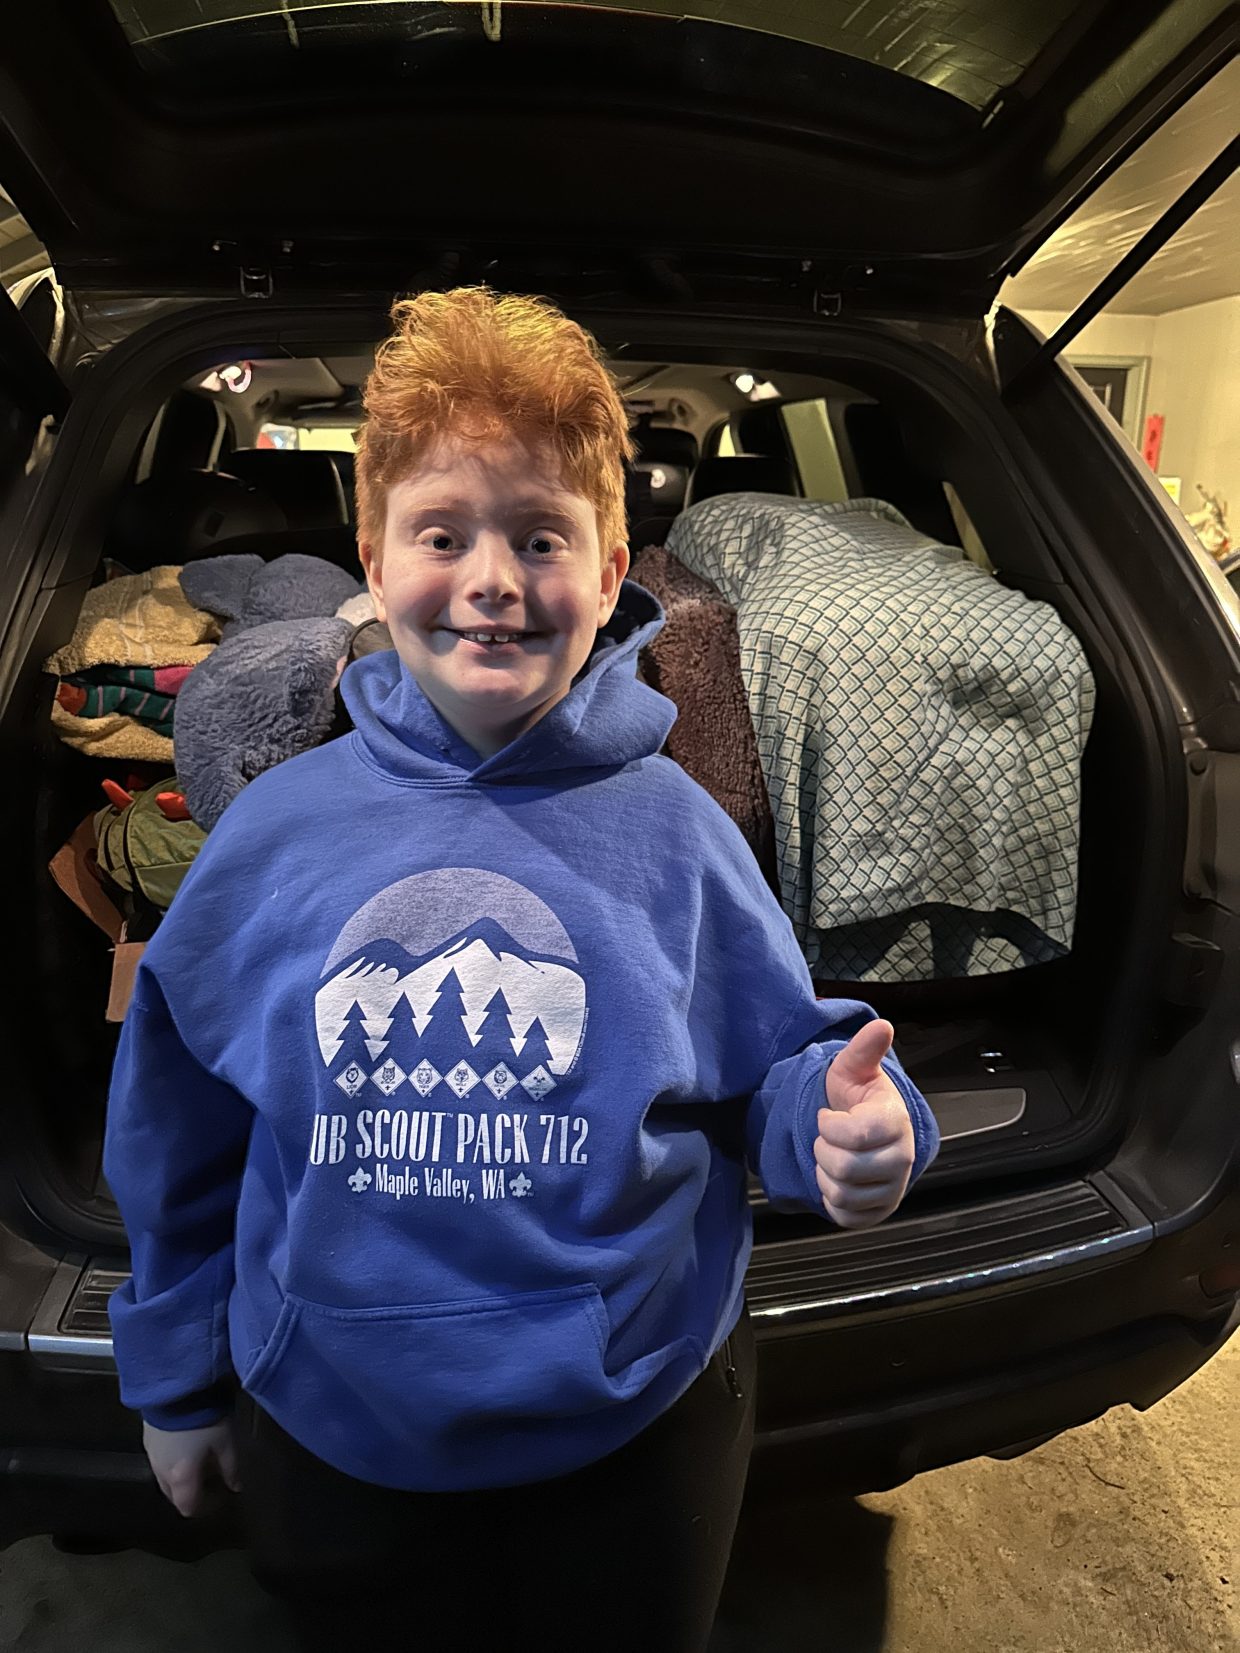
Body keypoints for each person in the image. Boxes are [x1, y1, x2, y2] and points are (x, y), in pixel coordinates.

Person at [103, 286, 941, 1652]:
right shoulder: (274, 836)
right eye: (442, 533)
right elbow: (176, 1126)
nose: (492, 577)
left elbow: (785, 1059)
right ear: (373, 558)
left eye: (541, 536)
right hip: (333, 1419)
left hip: (635, 1424)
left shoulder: (676, 829)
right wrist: (173, 1380)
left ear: (610, 575)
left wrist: (846, 1128)